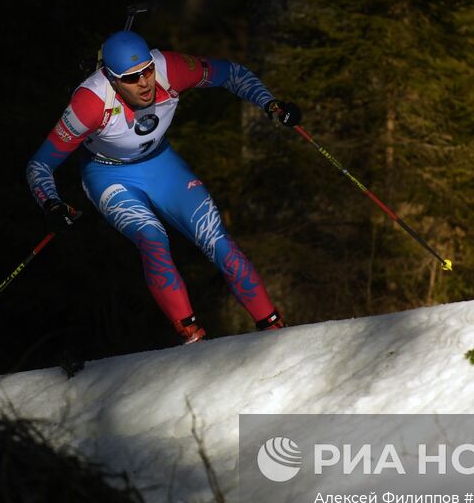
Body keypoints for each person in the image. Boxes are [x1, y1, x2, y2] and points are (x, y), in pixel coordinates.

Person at [26, 30, 301, 344]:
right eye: (131, 78)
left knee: (215, 236)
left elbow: (232, 73)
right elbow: (40, 164)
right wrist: (51, 203)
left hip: (161, 163)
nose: (144, 82)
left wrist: (271, 104)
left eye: (147, 71)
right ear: (112, 79)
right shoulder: (90, 102)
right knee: (152, 237)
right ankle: (191, 334)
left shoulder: (172, 68)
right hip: (107, 174)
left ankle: (274, 329)